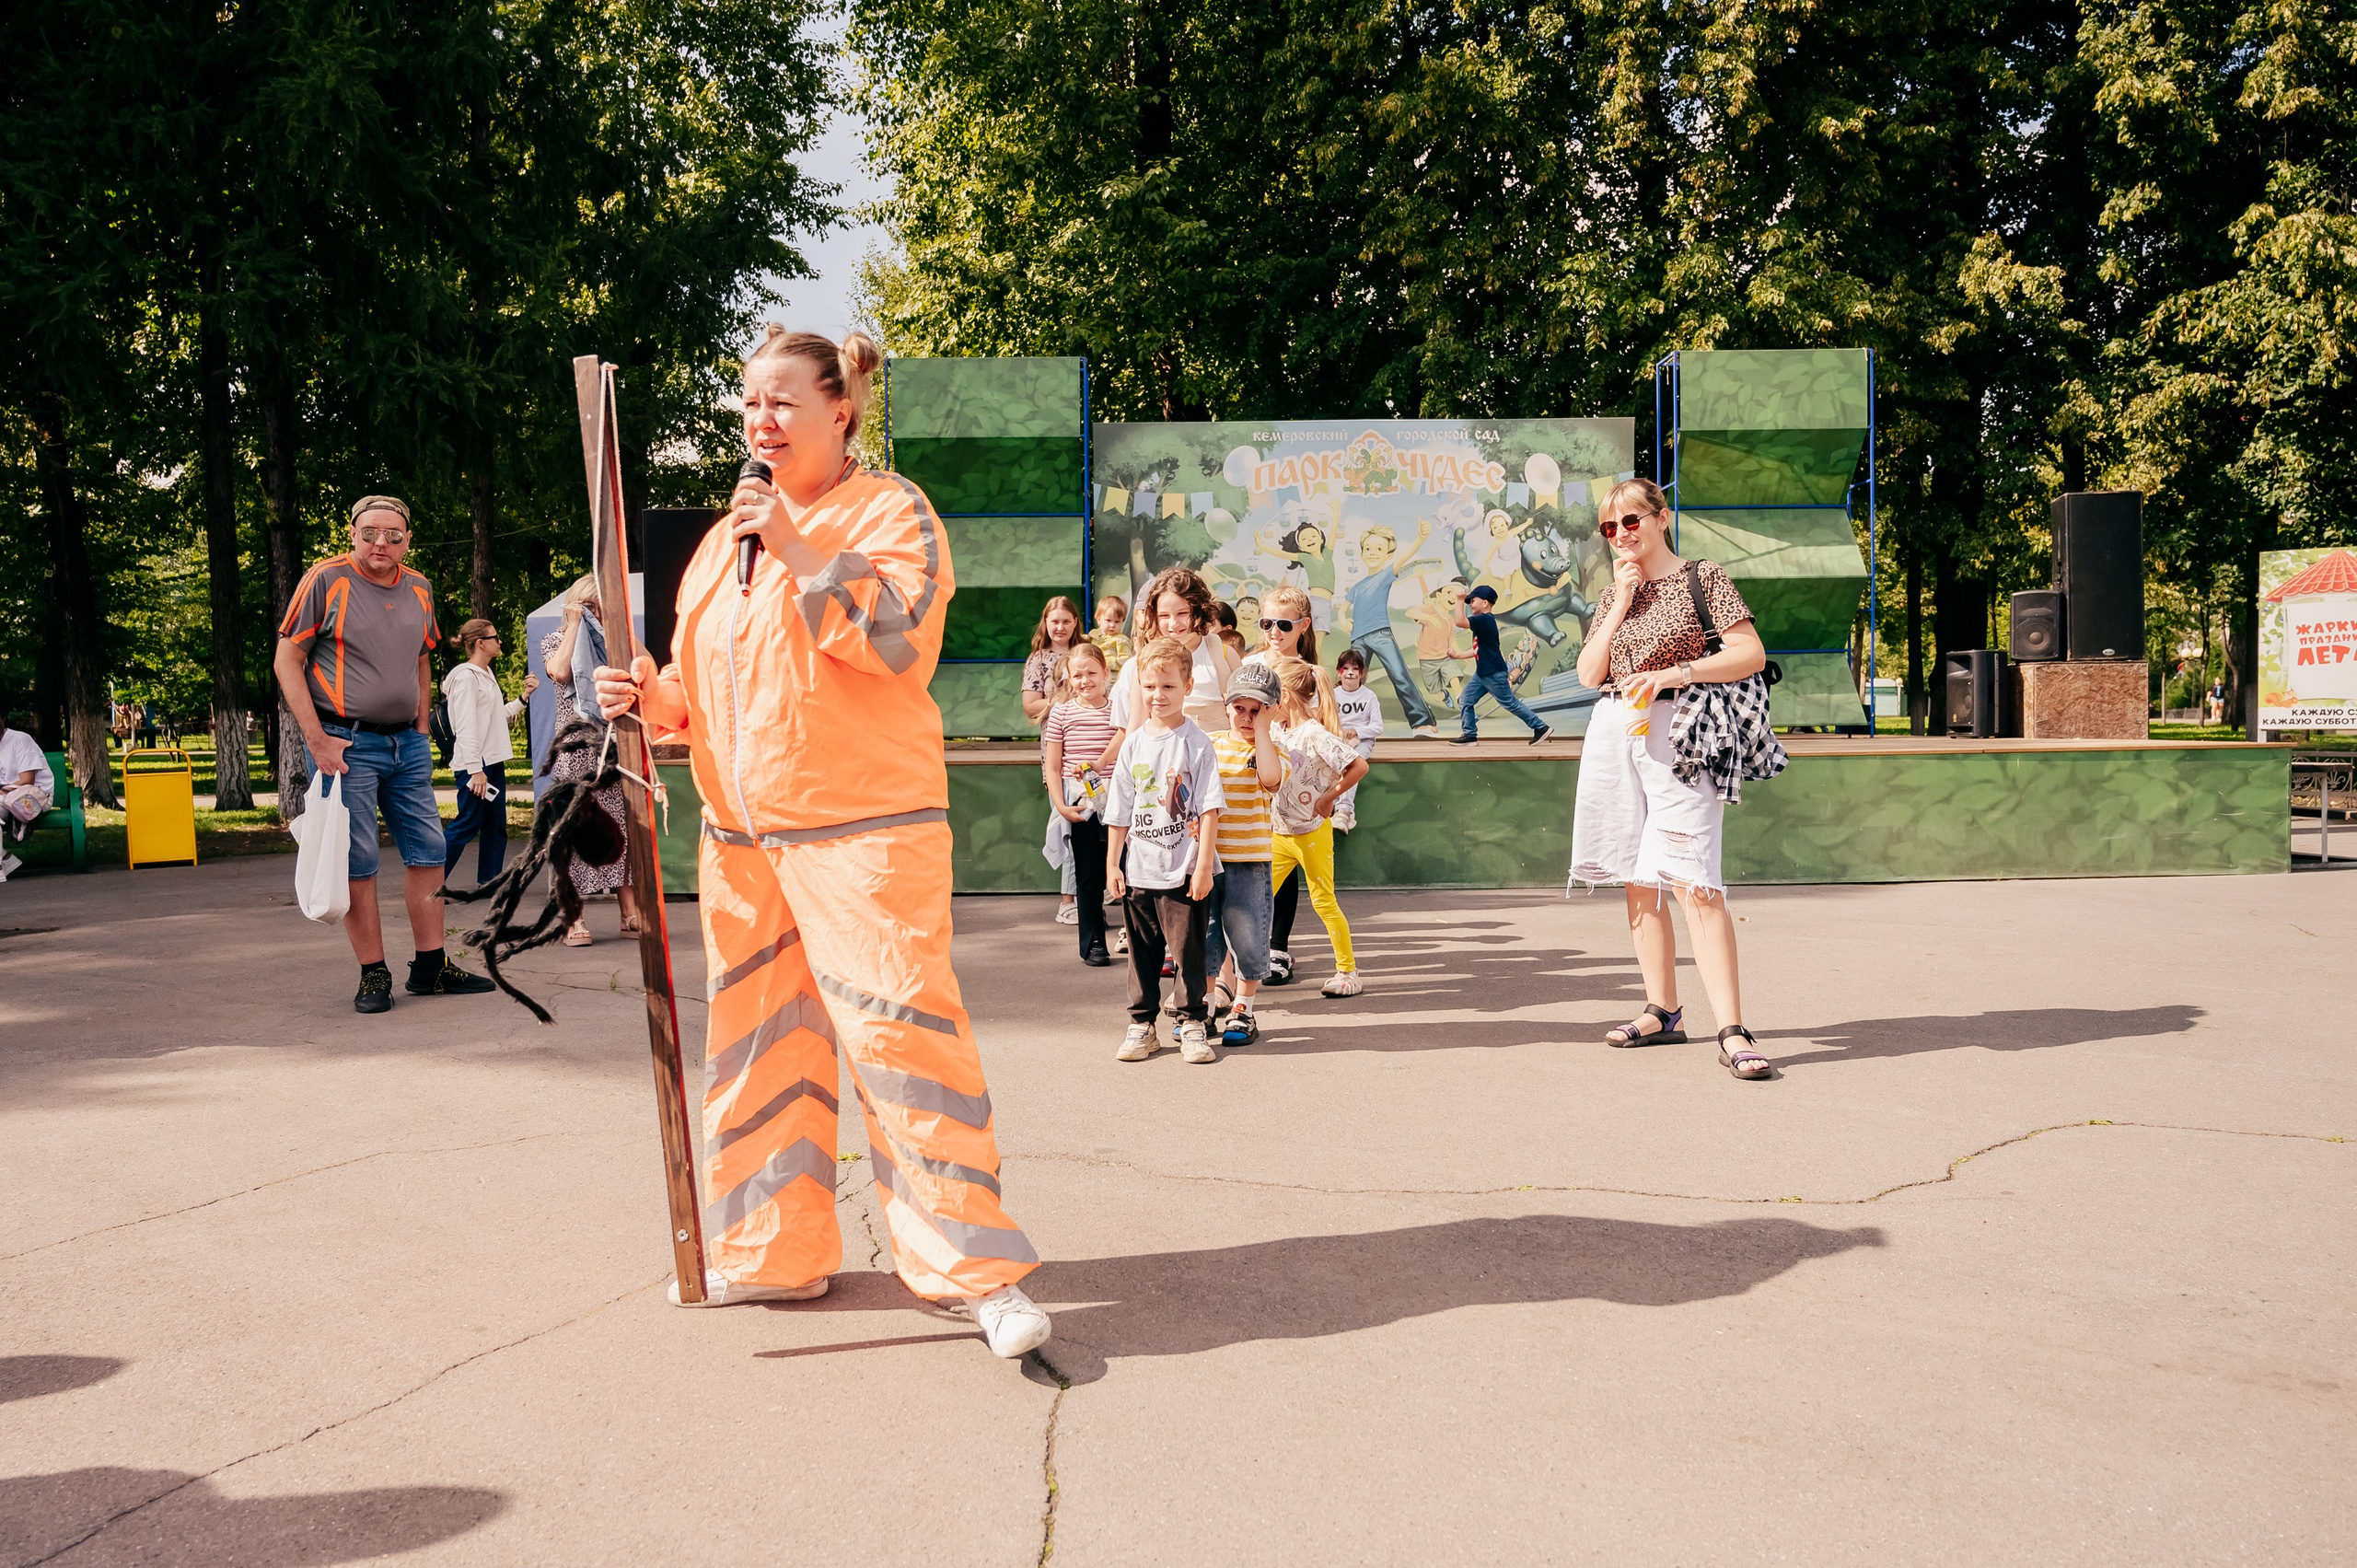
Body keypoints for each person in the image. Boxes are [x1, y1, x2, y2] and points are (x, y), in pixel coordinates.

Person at [592, 323, 1051, 1357]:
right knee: (757, 1051)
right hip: (744, 843)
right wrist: (647, 696)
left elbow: (897, 642)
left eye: (782, 402)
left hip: (863, 832)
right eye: (749, 403)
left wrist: (800, 550)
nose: (761, 421)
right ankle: (772, 1251)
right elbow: (705, 687)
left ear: (840, 408)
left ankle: (973, 1272)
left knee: (902, 1046)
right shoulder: (721, 542)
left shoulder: (890, 508)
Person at [1569, 477, 1772, 1080]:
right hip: (1616, 733)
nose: (1621, 535)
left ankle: (1733, 1028)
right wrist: (1621, 603)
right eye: (1610, 527)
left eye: (1631, 521)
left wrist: (1671, 672)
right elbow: (1588, 673)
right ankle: (1663, 1009)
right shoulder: (1615, 593)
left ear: (1660, 518)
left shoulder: (1701, 577)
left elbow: (1750, 653)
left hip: (1681, 731)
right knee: (1637, 875)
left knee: (1693, 879)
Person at [272, 496, 497, 1014]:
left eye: (394, 536)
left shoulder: (419, 586)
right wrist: (316, 739)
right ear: (353, 533)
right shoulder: (327, 581)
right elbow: (288, 660)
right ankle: (373, 973)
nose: (382, 544)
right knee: (358, 860)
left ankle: (431, 967)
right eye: (372, 533)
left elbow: (422, 656)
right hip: (345, 744)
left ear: (408, 540)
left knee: (430, 851)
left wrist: (421, 726)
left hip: (406, 745)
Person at [1104, 638, 1224, 1064]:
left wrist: (1204, 866)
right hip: (1139, 870)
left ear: (1188, 685)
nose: (1159, 695)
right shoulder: (1133, 745)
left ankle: (1192, 1023)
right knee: (1143, 953)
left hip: (1183, 869)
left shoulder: (1197, 743)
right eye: (1151, 686)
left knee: (1189, 951)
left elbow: (1209, 808)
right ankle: (1142, 1026)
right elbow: (1118, 811)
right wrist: (1112, 866)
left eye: (1169, 686)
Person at [542, 575, 641, 946]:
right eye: (591, 607)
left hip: (609, 749)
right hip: (574, 752)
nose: (596, 615)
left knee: (620, 830)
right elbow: (561, 671)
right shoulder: (555, 640)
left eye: (602, 608)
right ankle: (573, 919)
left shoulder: (612, 643)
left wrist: (621, 624)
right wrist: (573, 624)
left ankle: (629, 913)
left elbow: (644, 665)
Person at [1267, 656, 1370, 997]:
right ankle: (1235, 973)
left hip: (1311, 834)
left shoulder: (1315, 735)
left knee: (1324, 901)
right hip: (1278, 834)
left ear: (1283, 697)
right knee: (1255, 901)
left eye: (1269, 697)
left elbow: (1359, 766)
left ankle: (1347, 972)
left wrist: (1329, 798)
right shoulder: (1276, 730)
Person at [1206, 665, 1283, 1047]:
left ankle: (1244, 1008)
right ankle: (1203, 1005)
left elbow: (1270, 780)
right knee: (1205, 935)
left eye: (1258, 710)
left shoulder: (1268, 748)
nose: (1248, 718)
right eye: (1240, 709)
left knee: (1250, 935)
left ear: (1271, 710)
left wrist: (1265, 731)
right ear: (1227, 706)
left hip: (1250, 860)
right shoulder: (1211, 743)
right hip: (1208, 860)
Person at [1098, 567, 1241, 761]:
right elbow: (1136, 723)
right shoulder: (1143, 662)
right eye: (1164, 616)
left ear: (1200, 611)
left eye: (1182, 613)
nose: (1173, 624)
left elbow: (1244, 713)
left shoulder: (1223, 654)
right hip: (1164, 765)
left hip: (1220, 765)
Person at [440, 619, 540, 884]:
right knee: (467, 824)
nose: (500, 641)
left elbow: (494, 717)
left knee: (495, 826)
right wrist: (475, 770)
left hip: (491, 762)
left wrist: (523, 698)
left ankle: (490, 881)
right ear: (481, 643)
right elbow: (466, 726)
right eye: (495, 637)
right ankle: (431, 884)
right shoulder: (465, 677)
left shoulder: (486, 675)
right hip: (475, 765)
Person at [1041, 639, 1119, 966]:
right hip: (1081, 803)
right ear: (1068, 679)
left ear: (1105, 673)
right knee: (1087, 874)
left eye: (1091, 673)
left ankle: (1140, 940)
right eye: (1077, 675)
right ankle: (1093, 943)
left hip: (1118, 802)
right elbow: (1053, 765)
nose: (1085, 680)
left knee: (1124, 872)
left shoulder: (1119, 711)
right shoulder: (1061, 713)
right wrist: (1060, 806)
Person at [1341, 519, 1441, 736]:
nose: (1372, 553)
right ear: (1361, 553)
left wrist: (1420, 539)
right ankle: (1343, 723)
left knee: (1399, 675)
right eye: (1368, 548)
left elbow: (1405, 557)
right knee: (1348, 678)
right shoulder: (1357, 586)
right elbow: (1343, 608)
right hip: (1358, 639)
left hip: (1380, 634)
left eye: (1378, 549)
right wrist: (1342, 618)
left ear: (1388, 555)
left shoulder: (1386, 574)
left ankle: (1422, 722)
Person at [1450, 584, 1555, 745]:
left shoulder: (1484, 619)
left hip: (1493, 673)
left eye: (1473, 601)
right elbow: (1479, 649)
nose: (1470, 604)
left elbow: (1459, 621)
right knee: (1465, 699)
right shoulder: (1484, 622)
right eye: (1468, 601)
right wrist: (1458, 655)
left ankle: (1540, 727)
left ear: (1485, 603)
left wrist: (1459, 600)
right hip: (1483, 673)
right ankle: (1469, 735)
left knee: (1509, 703)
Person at [1331, 649, 1383, 832]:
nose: (1350, 672)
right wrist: (1340, 733)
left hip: (1363, 741)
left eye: (1355, 668)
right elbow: (1324, 721)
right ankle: (1330, 806)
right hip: (1338, 740)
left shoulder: (1369, 696)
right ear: (1339, 672)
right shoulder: (1333, 694)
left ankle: (1344, 812)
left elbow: (1378, 727)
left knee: (1351, 763)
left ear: (1362, 673)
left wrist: (1357, 731)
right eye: (1346, 668)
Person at [0, 713, 53, 878]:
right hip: (6, 797)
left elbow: (27, 780)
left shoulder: (20, 740)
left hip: (34, 797)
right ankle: (5, 858)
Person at [1021, 596, 1083, 726]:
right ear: (1046, 621)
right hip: (1053, 737)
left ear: (1075, 622)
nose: (1060, 628)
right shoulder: (1038, 659)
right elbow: (1030, 707)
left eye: (1066, 622)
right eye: (1055, 622)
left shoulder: (1087, 653)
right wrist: (1067, 701)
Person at [1088, 594, 1132, 674]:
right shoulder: (1093, 635)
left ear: (1122, 621)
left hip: (1113, 678)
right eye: (1108, 620)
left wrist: (1106, 663)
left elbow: (1126, 661)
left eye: (1117, 622)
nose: (1112, 625)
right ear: (1098, 620)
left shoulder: (1121, 640)